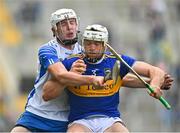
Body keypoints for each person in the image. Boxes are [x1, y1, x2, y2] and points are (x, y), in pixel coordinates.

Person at [43, 24, 173, 132]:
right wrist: (70, 76)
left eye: (96, 43)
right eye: (88, 43)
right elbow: (47, 94)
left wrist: (155, 84)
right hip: (80, 121)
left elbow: (155, 71)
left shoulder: (117, 61)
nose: (92, 47)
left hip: (110, 120)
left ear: (105, 45)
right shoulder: (71, 62)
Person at [11, 9, 105, 132]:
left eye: (72, 22)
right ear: (54, 30)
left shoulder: (85, 52)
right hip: (37, 113)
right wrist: (91, 79)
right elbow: (60, 76)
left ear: (77, 25)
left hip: (67, 118)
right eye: (63, 24)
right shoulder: (47, 50)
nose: (69, 27)